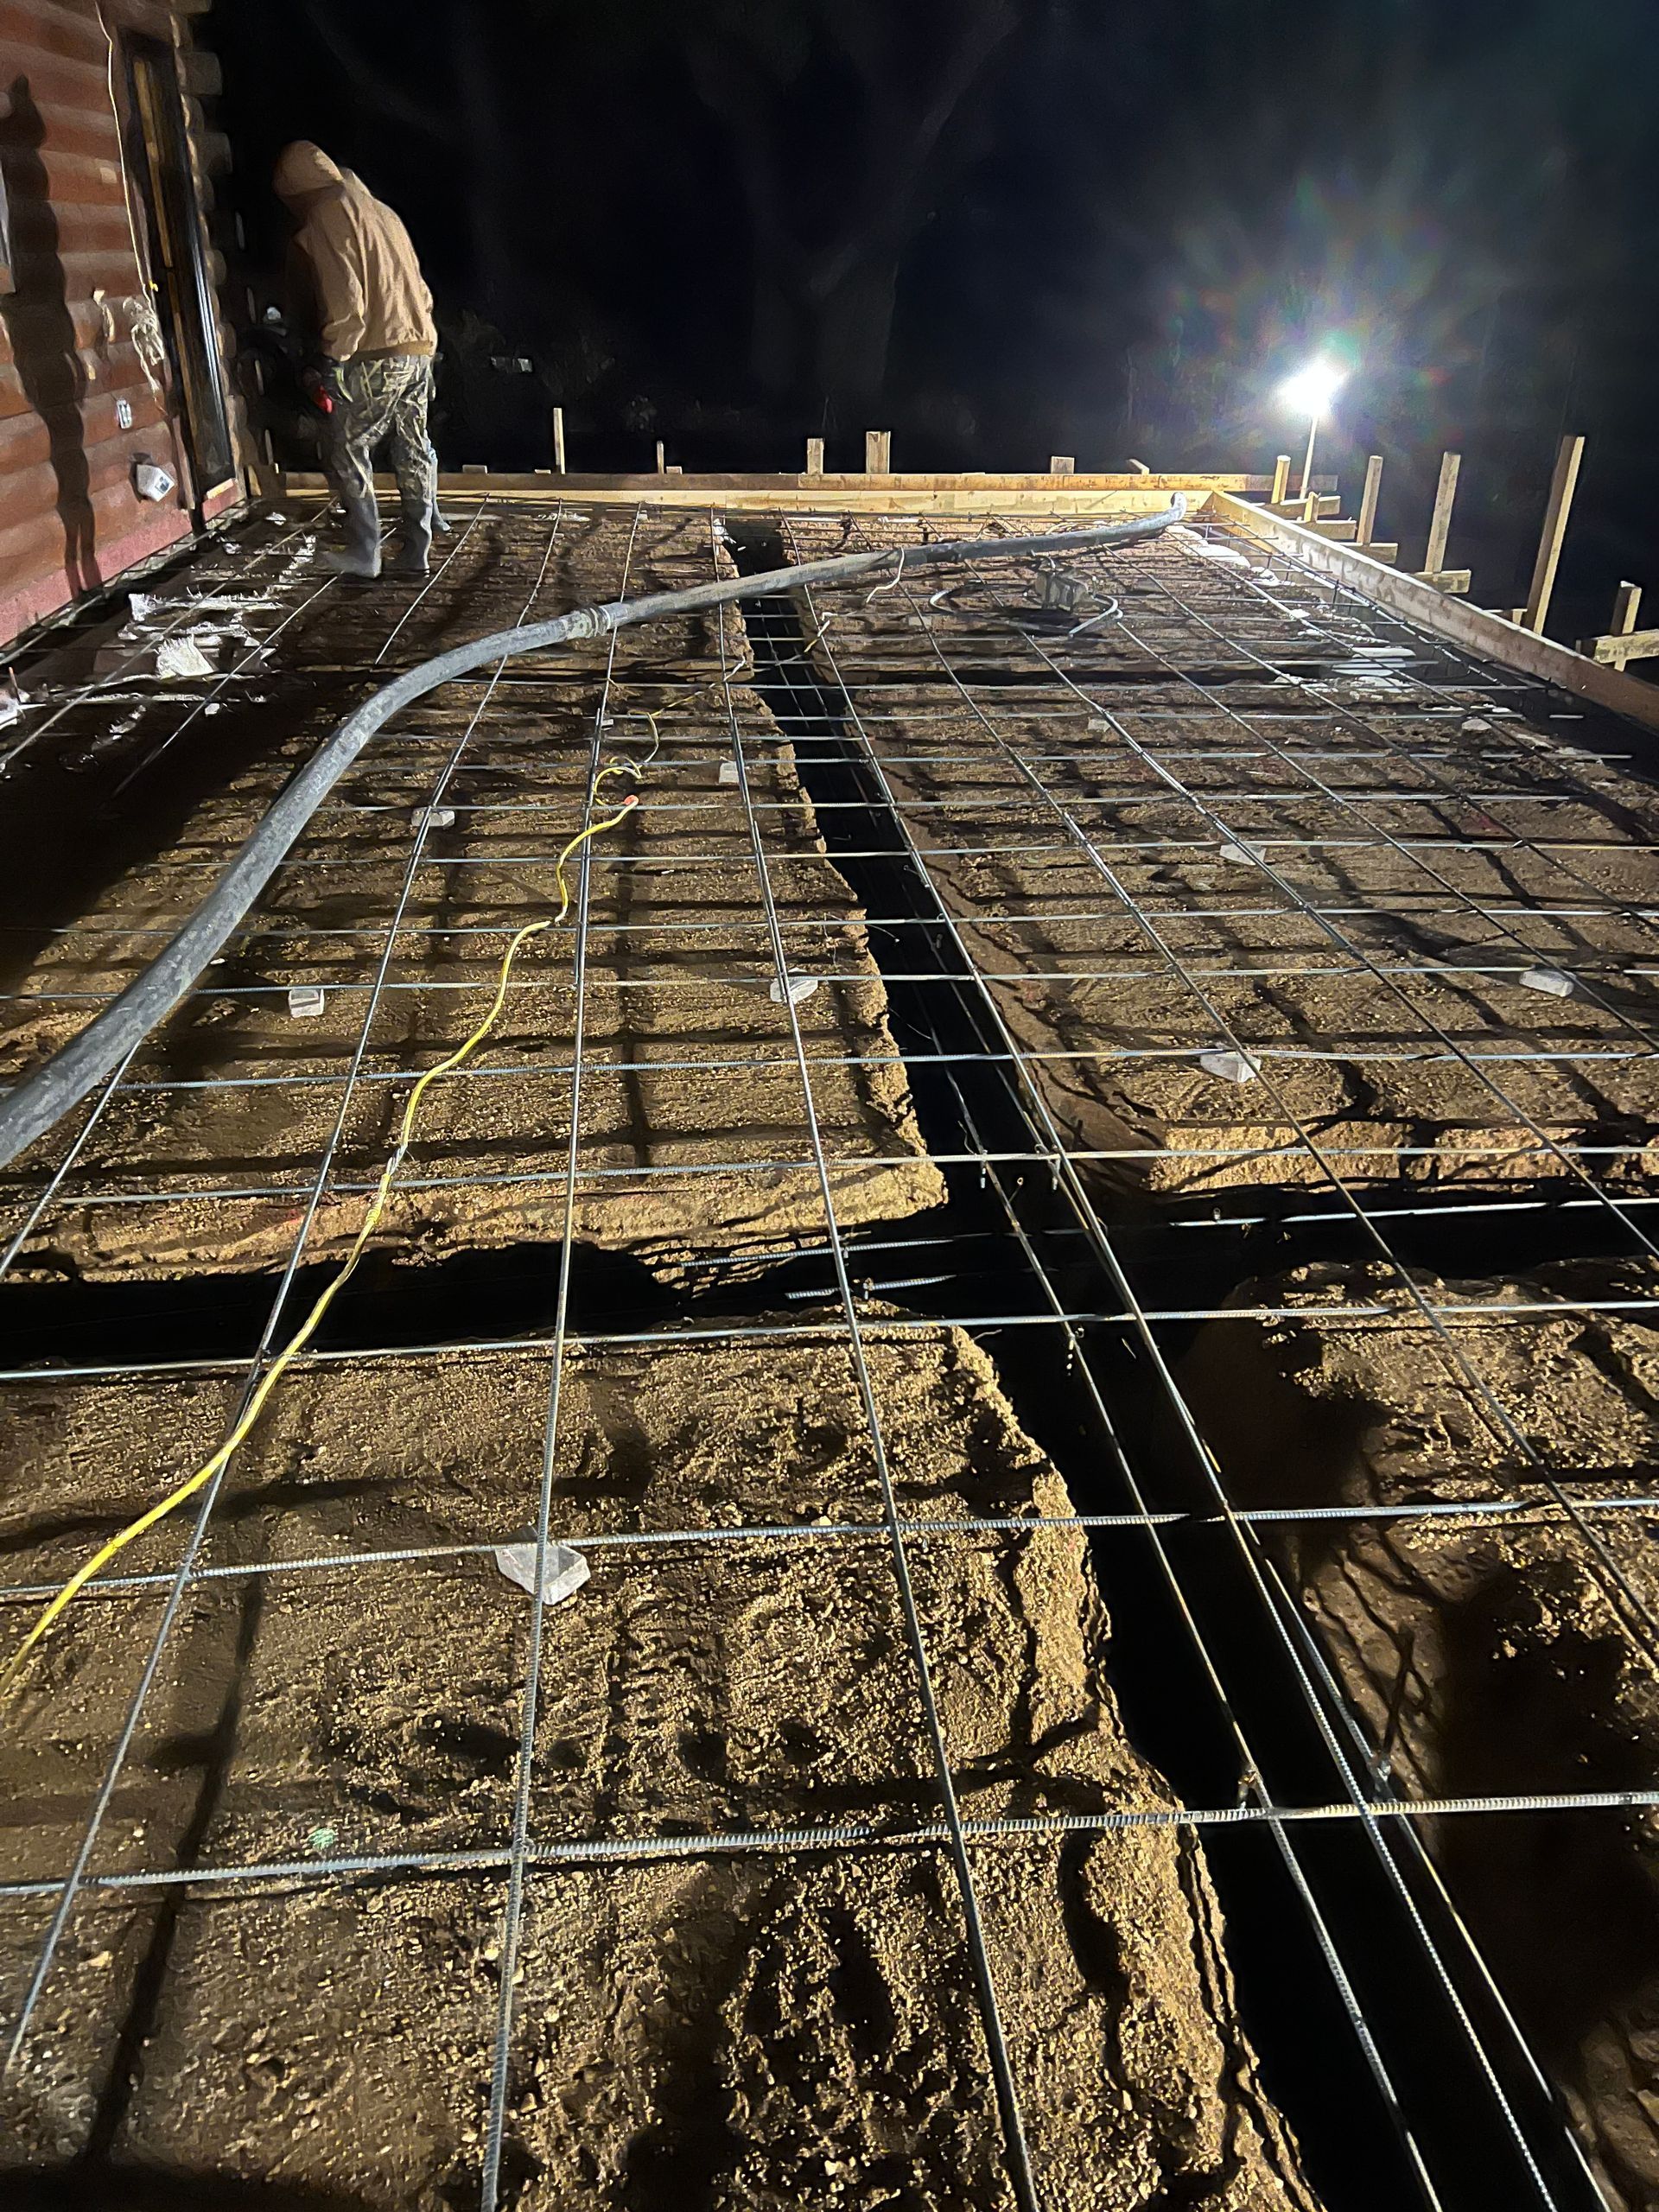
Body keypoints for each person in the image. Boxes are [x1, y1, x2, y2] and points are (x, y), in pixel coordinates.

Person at [272, 142, 437, 579]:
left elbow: (346, 299)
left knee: (346, 448)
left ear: (296, 190)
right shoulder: (382, 212)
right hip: (419, 348)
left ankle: (367, 551)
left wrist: (332, 358)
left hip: (377, 354)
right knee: (412, 447)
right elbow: (421, 291)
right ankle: (419, 546)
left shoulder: (330, 211)